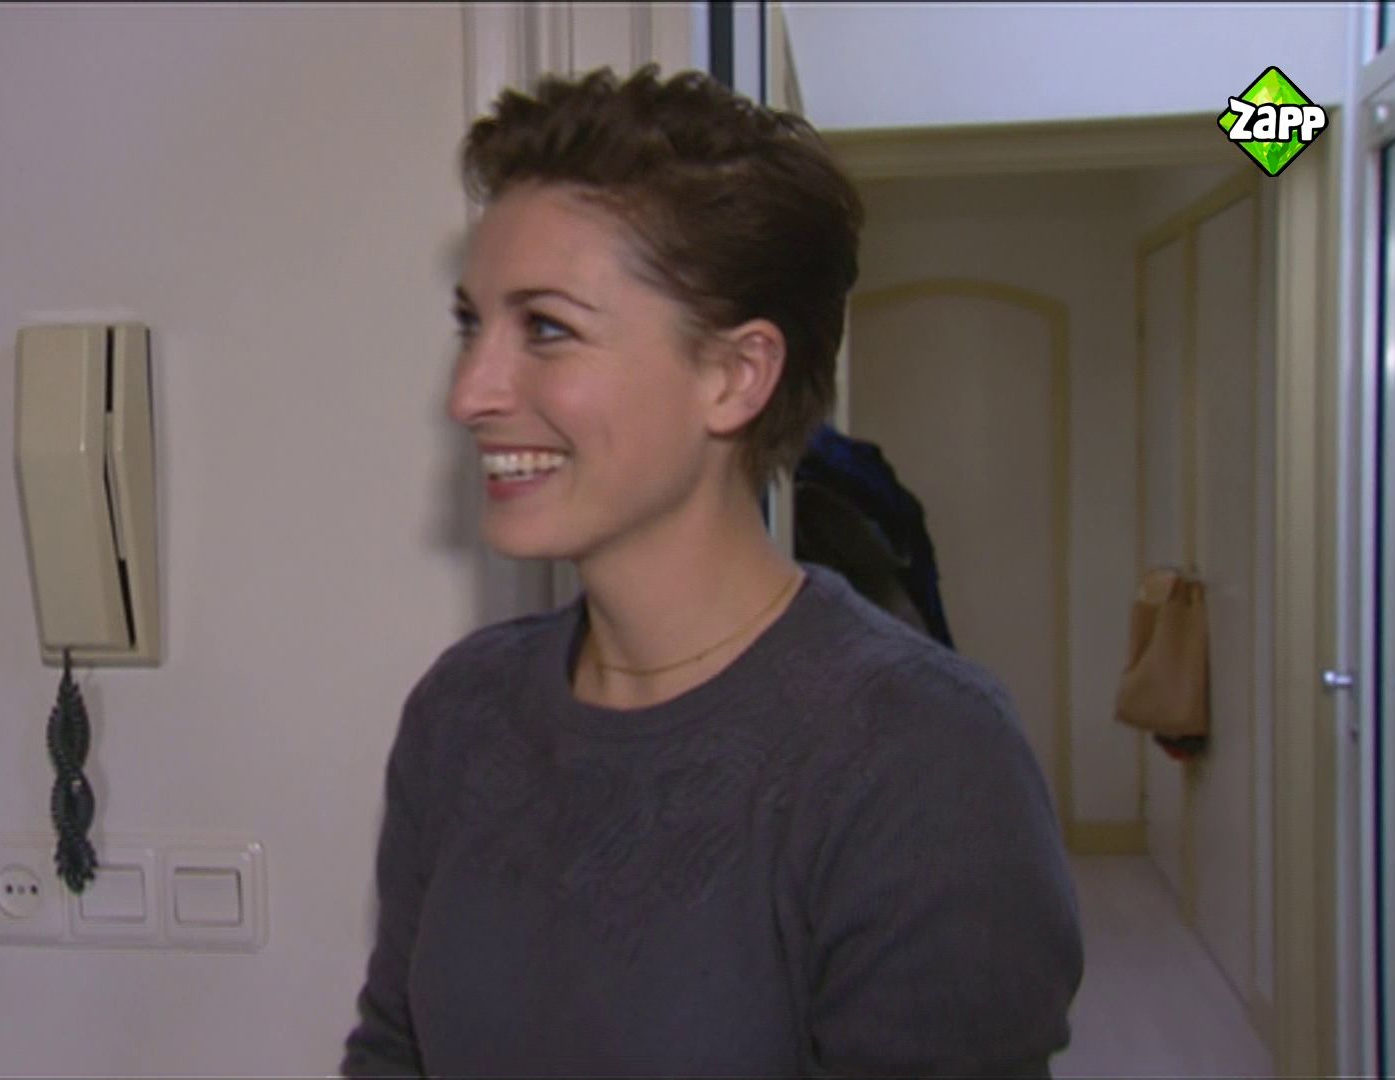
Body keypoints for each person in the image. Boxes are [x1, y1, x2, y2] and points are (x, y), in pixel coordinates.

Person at [342, 65, 1081, 1077]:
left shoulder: (922, 759)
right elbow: (394, 1053)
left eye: (547, 328)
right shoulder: (463, 713)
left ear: (735, 376)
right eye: (472, 324)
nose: (470, 392)